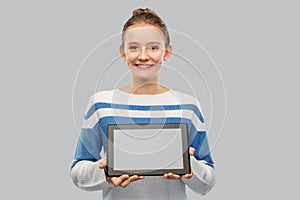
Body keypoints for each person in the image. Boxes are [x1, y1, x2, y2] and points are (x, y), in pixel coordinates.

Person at [70, 8, 216, 200]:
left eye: (153, 47)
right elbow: (77, 171)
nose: (143, 56)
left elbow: (208, 182)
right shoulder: (101, 104)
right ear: (123, 53)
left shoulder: (188, 106)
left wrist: (189, 166)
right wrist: (106, 171)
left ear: (167, 52)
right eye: (133, 47)